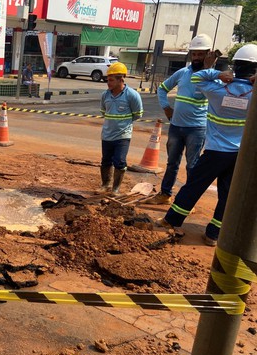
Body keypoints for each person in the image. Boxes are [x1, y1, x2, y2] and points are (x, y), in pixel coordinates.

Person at [157, 44, 257, 246]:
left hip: (215, 151)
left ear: (235, 66)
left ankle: (172, 220)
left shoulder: (217, 90)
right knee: (227, 194)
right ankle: (213, 234)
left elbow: (196, 78)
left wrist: (218, 73)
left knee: (194, 186)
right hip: (239, 154)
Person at [145, 34, 212, 205]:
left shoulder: (212, 77)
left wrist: (210, 71)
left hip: (196, 129)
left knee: (192, 166)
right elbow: (162, 89)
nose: (196, 57)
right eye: (194, 54)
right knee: (172, 163)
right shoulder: (182, 73)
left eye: (200, 54)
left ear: (208, 54)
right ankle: (165, 194)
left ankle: (187, 202)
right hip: (176, 127)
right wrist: (166, 108)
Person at [98, 62, 143, 194]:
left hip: (123, 136)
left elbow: (137, 114)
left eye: (111, 80)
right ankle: (105, 184)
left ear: (121, 79)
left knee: (120, 161)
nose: (108, 82)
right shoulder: (105, 95)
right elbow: (103, 111)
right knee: (105, 161)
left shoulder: (132, 95)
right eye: (108, 80)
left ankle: (115, 188)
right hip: (107, 135)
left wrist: (123, 124)